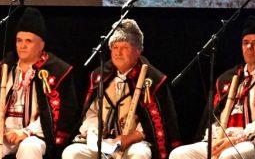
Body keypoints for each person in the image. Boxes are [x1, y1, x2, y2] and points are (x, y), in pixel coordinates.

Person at [63, 19, 180, 159]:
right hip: (104, 141)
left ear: (138, 51)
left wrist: (131, 138)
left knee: (140, 154)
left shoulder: (152, 80)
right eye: (114, 47)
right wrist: (93, 132)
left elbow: (154, 123)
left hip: (134, 142)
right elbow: (92, 112)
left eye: (124, 47)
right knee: (72, 153)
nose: (118, 52)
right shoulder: (101, 76)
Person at [0, 7, 79, 159]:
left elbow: (56, 116)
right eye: (19, 40)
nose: (22, 45)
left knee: (29, 147)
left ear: (41, 45)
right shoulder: (5, 68)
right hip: (5, 132)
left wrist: (26, 132)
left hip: (35, 135)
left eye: (28, 41)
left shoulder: (56, 71)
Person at [171, 16, 255, 159]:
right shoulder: (229, 78)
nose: (249, 47)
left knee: (228, 156)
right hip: (225, 139)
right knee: (179, 154)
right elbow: (216, 118)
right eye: (245, 43)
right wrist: (216, 136)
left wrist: (240, 136)